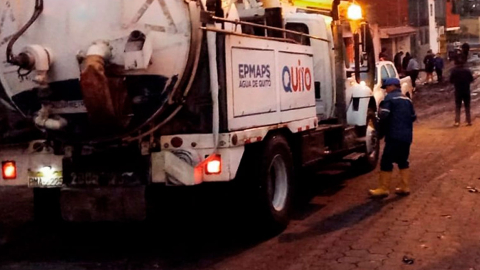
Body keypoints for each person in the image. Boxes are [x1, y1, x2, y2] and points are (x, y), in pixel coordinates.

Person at [369, 78, 417, 197]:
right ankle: (405, 186)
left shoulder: (389, 99)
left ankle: (383, 188)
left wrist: (379, 125)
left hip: (394, 135)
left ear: (392, 86)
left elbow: (384, 115)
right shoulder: (407, 99)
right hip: (406, 136)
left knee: (386, 160)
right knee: (403, 160)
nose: (385, 90)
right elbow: (413, 116)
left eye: (386, 87)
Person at [450, 56, 474, 127]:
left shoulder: (454, 71)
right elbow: (471, 80)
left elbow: (451, 81)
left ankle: (457, 122)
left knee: (458, 106)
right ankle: (468, 121)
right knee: (467, 106)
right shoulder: (467, 71)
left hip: (458, 91)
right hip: (466, 90)